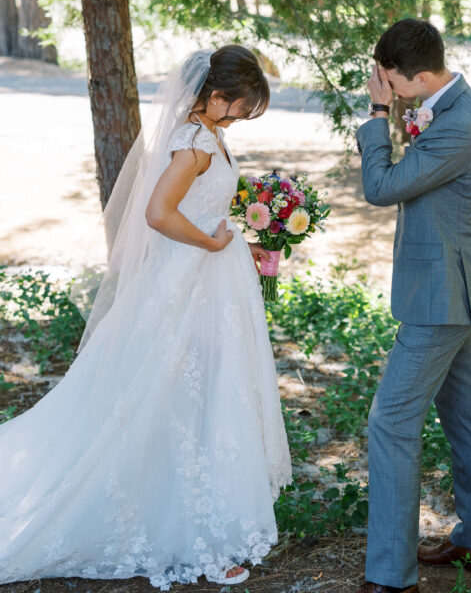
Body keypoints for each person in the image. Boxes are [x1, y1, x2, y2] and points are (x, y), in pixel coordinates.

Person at [0, 46, 291, 590]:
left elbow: (201, 208)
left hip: (210, 279)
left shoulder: (206, 135)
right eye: (240, 105)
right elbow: (159, 214)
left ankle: (212, 519)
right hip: (189, 284)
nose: (242, 115)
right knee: (181, 397)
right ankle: (194, 535)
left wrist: (232, 244)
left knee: (205, 394)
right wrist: (209, 241)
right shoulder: (195, 144)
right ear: (215, 94)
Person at [354, 19, 471, 593]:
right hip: (450, 287)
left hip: (440, 297)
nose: (382, 86)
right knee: (465, 419)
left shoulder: (458, 125)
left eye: (388, 80)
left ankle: (392, 576)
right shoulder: (444, 104)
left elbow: (382, 186)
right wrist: (399, 111)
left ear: (416, 76)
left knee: (390, 423)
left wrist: (373, 117)